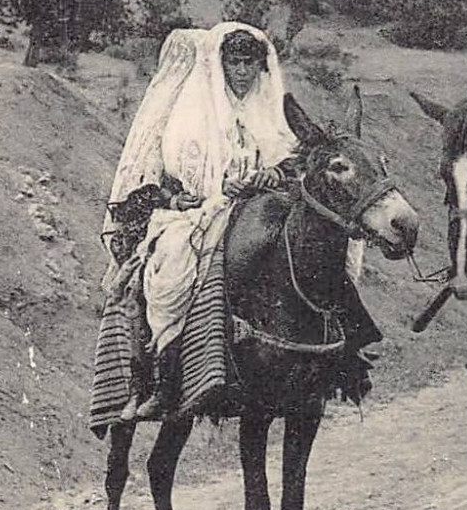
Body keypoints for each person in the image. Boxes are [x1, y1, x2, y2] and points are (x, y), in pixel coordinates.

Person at [94, 22, 374, 424]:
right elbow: (159, 177)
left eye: (250, 63)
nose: (242, 71)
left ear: (262, 66)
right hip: (199, 210)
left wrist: (273, 176)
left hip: (266, 207)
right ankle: (160, 373)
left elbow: (298, 160)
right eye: (234, 62)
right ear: (219, 65)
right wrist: (187, 195)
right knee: (172, 266)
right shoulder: (190, 114)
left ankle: (343, 352)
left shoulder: (271, 109)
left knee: (324, 246)